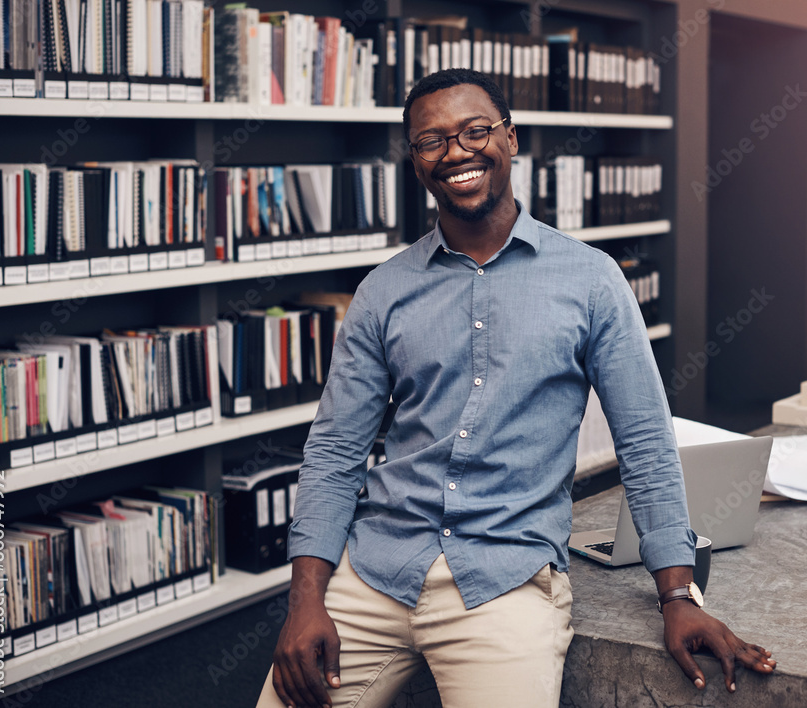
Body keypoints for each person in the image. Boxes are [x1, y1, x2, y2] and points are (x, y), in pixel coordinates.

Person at [259, 68, 775, 708]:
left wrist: (676, 596)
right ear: (416, 161)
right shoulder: (383, 291)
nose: (457, 152)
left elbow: (643, 441)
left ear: (512, 137)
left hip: (504, 581)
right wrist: (307, 600)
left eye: (476, 131)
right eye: (432, 140)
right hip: (375, 571)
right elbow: (336, 451)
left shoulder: (592, 282)